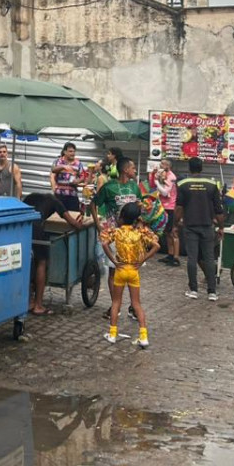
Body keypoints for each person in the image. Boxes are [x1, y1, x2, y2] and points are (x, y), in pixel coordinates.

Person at [101, 202, 158, 348]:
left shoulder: (116, 232)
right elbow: (156, 246)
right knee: (136, 304)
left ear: (122, 217)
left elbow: (104, 243)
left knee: (116, 302)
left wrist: (113, 259)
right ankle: (143, 336)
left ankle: (113, 334)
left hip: (120, 270)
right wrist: (142, 259)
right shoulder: (140, 232)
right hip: (134, 270)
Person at [24, 192, 83, 315]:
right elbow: (72, 222)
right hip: (37, 229)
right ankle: (38, 305)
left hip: (23, 228)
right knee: (41, 262)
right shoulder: (55, 201)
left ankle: (28, 302)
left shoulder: (32, 196)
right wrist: (79, 223)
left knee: (27, 262)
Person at [176, 158, 224, 300]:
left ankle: (194, 290)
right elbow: (218, 210)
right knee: (209, 258)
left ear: (189, 169)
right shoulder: (211, 184)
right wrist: (221, 227)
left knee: (192, 258)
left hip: (190, 226)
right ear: (202, 168)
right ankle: (212, 292)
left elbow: (179, 207)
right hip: (208, 226)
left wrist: (174, 224)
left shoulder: (183, 184)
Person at [154, 159, 180, 265]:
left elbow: (165, 192)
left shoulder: (171, 177)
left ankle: (176, 257)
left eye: (163, 164)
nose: (161, 165)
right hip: (163, 206)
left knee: (173, 233)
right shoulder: (163, 174)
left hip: (171, 207)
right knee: (166, 232)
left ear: (168, 166)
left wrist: (156, 182)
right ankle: (170, 254)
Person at [50, 142, 87, 213]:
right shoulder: (58, 161)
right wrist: (63, 166)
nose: (72, 153)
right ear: (64, 152)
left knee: (74, 216)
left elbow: (83, 176)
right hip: (59, 195)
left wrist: (78, 181)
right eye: (70, 151)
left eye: (74, 151)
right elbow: (53, 170)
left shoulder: (78, 163)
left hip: (72, 195)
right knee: (58, 217)